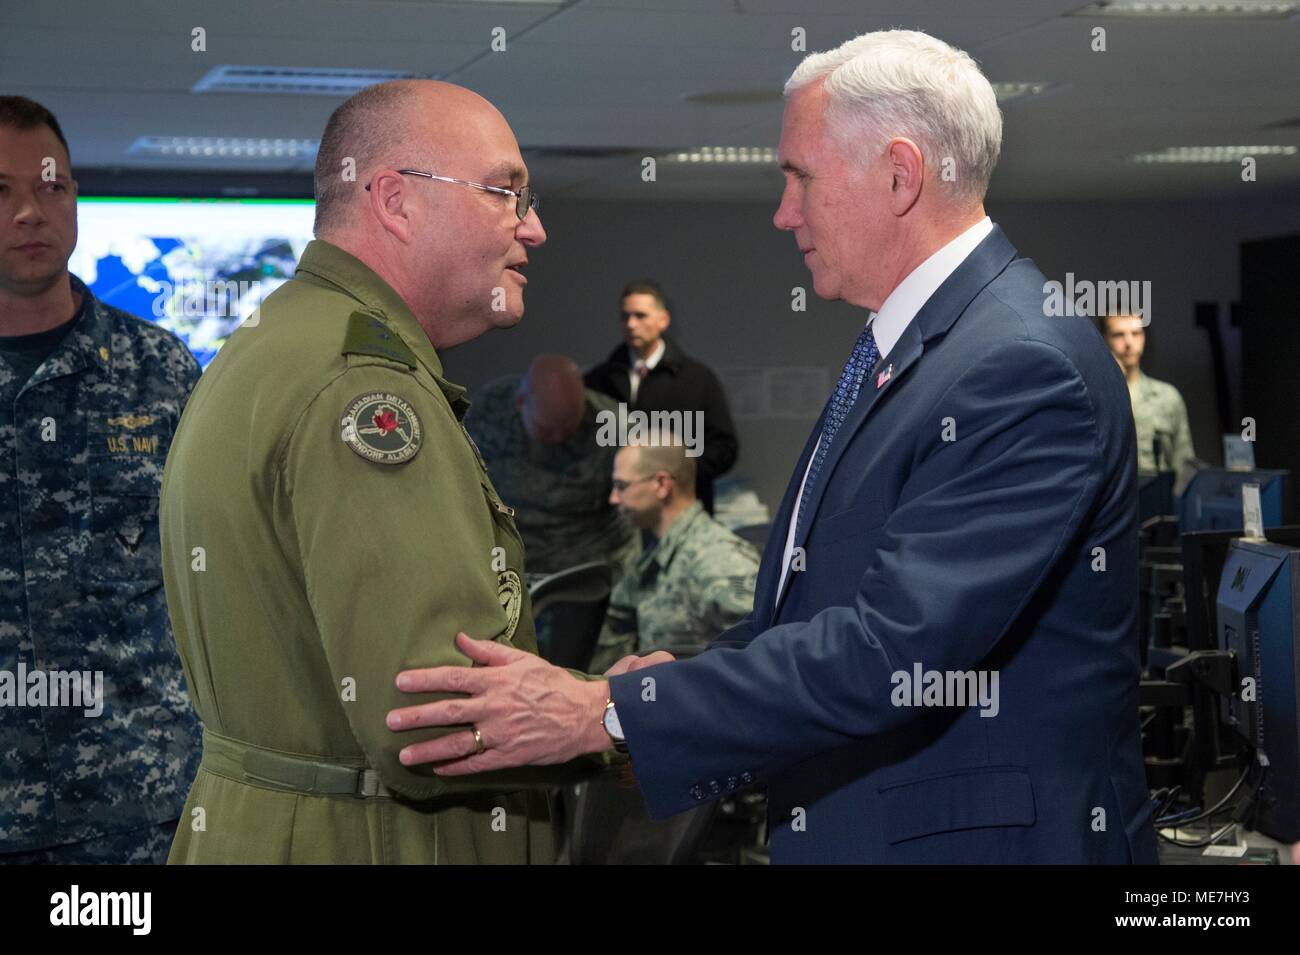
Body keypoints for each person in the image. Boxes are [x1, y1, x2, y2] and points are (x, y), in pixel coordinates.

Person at [386, 30, 1159, 865]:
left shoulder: (1015, 364)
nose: (783, 211)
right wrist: (655, 689)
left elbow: (887, 650)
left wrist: (604, 709)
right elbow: (820, 614)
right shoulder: (926, 346)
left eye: (800, 177)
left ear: (900, 175)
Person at [160, 80, 600, 865]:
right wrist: (613, 718)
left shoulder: (277, 342)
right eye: (505, 192)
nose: (533, 227)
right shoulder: (367, 388)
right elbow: (428, 719)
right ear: (396, 200)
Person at [0, 96, 200, 863]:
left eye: (52, 186)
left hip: (137, 807)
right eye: (3, 191)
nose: (31, 212)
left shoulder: (160, 370)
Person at [590, 437, 758, 672]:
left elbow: (759, 660)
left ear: (662, 484)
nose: (614, 498)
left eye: (622, 486)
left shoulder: (716, 561)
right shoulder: (655, 558)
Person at [463, 354, 637, 577]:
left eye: (568, 429)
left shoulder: (616, 428)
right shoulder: (490, 409)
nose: (557, 438)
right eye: (547, 430)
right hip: (512, 563)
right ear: (520, 403)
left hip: (591, 565)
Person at [584, 280, 738, 513]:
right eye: (625, 317)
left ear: (663, 320)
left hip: (679, 510)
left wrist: (679, 472)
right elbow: (582, 444)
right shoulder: (598, 381)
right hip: (615, 515)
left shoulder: (698, 379)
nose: (631, 324)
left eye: (640, 316)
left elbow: (724, 447)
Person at [1101, 313, 1195, 479]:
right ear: (1104, 339)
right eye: (1118, 335)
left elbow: (1183, 464)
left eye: (1136, 333)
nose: (1128, 343)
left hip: (1158, 496)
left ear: (1143, 337)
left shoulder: (1167, 397)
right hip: (1112, 496)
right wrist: (1111, 380)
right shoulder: (1096, 396)